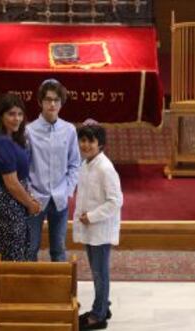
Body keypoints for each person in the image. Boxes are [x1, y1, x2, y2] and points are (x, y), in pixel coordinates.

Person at [73, 120, 123, 330]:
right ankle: (104, 305)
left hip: (100, 228)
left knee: (99, 272)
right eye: (82, 140)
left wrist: (91, 217)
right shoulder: (86, 164)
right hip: (90, 227)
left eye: (90, 141)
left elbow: (116, 201)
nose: (85, 145)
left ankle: (99, 315)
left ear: (100, 144)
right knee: (96, 270)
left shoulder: (105, 168)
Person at [27, 79, 81, 261]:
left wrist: (67, 190)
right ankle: (28, 287)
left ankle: (59, 290)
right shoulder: (29, 131)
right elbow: (23, 167)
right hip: (35, 199)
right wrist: (29, 194)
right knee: (30, 248)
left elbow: (75, 164)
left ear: (61, 102)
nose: (52, 104)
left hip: (59, 198)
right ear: (40, 102)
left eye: (56, 100)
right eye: (48, 100)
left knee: (58, 250)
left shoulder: (69, 130)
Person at [0, 93, 41, 262]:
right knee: (11, 254)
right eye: (11, 114)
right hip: (9, 204)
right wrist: (30, 204)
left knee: (19, 250)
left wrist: (28, 198)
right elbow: (11, 183)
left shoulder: (13, 138)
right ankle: (7, 288)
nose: (16, 119)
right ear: (0, 116)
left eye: (19, 114)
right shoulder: (1, 142)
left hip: (17, 201)